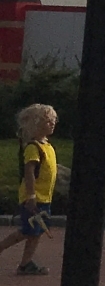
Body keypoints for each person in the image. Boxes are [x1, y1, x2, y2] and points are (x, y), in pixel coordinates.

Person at [2, 103, 57, 275]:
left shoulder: (47, 146)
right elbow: (29, 172)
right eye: (48, 121)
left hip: (44, 198)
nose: (52, 124)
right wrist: (31, 196)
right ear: (36, 124)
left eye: (53, 120)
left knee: (36, 232)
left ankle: (26, 263)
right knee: (27, 230)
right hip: (33, 198)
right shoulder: (34, 147)